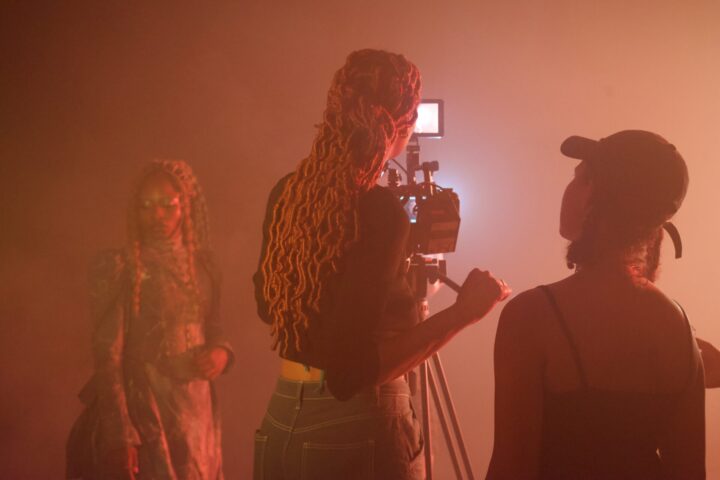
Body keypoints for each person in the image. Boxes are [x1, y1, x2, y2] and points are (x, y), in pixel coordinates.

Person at [252, 49, 510, 480]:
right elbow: (349, 373)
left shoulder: (287, 193)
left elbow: (269, 307)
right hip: (354, 430)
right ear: (403, 125)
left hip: (280, 421)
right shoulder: (379, 212)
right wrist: (464, 313)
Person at [487, 130, 705, 479]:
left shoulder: (532, 316)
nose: (569, 189)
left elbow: (512, 467)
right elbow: (690, 470)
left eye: (580, 178)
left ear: (597, 196)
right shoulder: (676, 324)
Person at [67, 159, 233, 480]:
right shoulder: (122, 269)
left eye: (167, 205)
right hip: (148, 407)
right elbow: (108, 357)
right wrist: (121, 434)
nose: (157, 215)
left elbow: (214, 327)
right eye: (147, 206)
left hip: (197, 411)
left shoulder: (204, 266)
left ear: (184, 205)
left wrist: (221, 352)